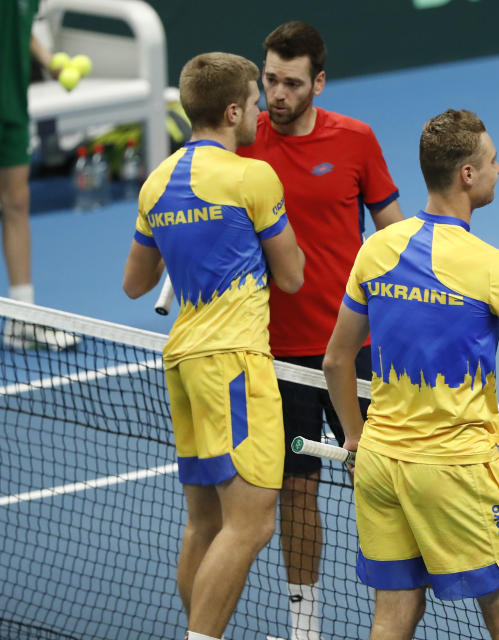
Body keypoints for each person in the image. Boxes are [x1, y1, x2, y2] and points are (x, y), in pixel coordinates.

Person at [322, 108, 499, 640]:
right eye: (493, 160)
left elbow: (337, 360)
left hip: (381, 466)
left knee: (394, 614)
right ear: (467, 175)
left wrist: (357, 437)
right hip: (455, 472)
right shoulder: (491, 267)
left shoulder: (376, 249)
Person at [122, 52, 304, 640]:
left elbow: (136, 283)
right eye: (255, 101)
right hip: (233, 363)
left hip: (182, 360)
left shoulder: (157, 183)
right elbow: (293, 274)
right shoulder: (252, 178)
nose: (260, 111)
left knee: (203, 525)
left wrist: (193, 242)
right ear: (232, 111)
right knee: (250, 526)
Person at [235, 21, 403, 640]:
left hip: (355, 349)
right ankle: (304, 625)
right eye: (269, 79)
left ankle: (395, 611)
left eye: (292, 83)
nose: (277, 94)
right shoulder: (240, 142)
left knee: (379, 480)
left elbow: (392, 231)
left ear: (318, 83)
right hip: (277, 355)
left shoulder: (356, 141)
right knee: (296, 490)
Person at [0, 0, 78, 349]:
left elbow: (20, 30)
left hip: (12, 105)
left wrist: (48, 61)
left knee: (16, 202)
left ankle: (22, 318)